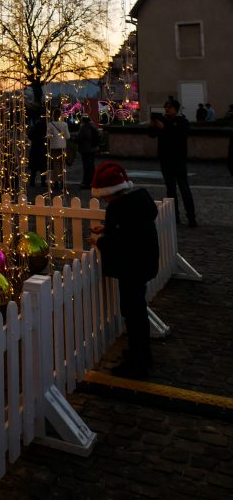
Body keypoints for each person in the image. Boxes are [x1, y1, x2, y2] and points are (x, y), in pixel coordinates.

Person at [89, 161, 159, 378]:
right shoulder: (137, 202)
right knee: (137, 309)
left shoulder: (118, 209)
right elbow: (131, 227)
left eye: (104, 197)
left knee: (133, 312)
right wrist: (108, 227)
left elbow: (122, 242)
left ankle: (139, 361)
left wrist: (99, 241)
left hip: (133, 266)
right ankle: (141, 352)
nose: (104, 201)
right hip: (145, 262)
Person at [149, 98, 197, 227]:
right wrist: (152, 125)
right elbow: (152, 134)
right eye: (166, 107)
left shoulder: (182, 122)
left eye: (169, 107)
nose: (167, 109)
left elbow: (180, 136)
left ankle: (191, 217)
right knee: (170, 190)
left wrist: (165, 128)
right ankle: (174, 217)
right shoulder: (163, 121)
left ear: (176, 109)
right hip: (165, 159)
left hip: (178, 159)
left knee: (184, 188)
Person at [47, 108, 70, 188]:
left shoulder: (50, 125)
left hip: (54, 147)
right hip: (62, 147)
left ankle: (56, 182)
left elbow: (48, 137)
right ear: (60, 115)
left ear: (53, 115)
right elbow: (68, 136)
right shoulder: (64, 124)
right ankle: (63, 182)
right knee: (62, 165)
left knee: (55, 165)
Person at [77, 116, 101, 189]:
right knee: (91, 165)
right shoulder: (92, 126)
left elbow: (80, 138)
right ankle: (93, 181)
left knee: (87, 166)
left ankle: (87, 182)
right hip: (93, 149)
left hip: (86, 149)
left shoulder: (84, 127)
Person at [27, 109, 48, 187]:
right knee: (43, 167)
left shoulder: (36, 125)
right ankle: (43, 182)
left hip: (35, 147)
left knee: (34, 168)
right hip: (43, 148)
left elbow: (29, 134)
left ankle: (32, 182)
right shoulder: (46, 126)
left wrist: (35, 140)